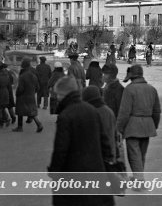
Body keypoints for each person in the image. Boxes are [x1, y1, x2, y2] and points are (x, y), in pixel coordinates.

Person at [48, 76, 115, 206]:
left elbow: (61, 149)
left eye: (58, 94)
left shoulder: (66, 115)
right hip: (96, 171)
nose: (57, 98)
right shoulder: (91, 110)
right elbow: (104, 141)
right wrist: (107, 162)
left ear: (63, 94)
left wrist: (54, 172)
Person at [117, 65, 161, 185]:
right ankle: (139, 177)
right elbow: (157, 111)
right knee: (141, 154)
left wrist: (119, 128)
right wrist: (154, 125)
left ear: (131, 77)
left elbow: (124, 112)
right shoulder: (152, 89)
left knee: (134, 155)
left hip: (132, 127)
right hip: (147, 126)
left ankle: (139, 181)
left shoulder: (129, 90)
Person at [83, 86, 117, 164]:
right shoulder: (109, 112)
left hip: (95, 157)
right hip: (110, 154)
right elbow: (115, 135)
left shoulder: (88, 112)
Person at [13, 58, 43, 133]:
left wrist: (17, 94)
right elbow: (37, 87)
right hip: (31, 95)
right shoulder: (33, 75)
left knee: (20, 112)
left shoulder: (23, 76)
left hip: (23, 96)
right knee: (31, 111)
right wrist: (32, 92)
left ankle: (20, 127)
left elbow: (21, 88)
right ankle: (39, 124)